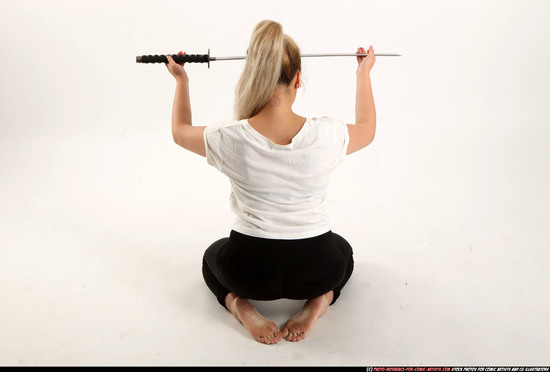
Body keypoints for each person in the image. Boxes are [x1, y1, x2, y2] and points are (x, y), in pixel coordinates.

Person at [165, 20, 376, 345]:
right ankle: (320, 300)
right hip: (316, 267)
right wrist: (364, 75)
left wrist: (181, 78)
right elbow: (367, 127)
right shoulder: (329, 134)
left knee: (212, 256)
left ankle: (239, 304)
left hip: (251, 274)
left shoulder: (229, 137)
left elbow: (180, 132)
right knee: (343, 253)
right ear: (298, 79)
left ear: (253, 76)